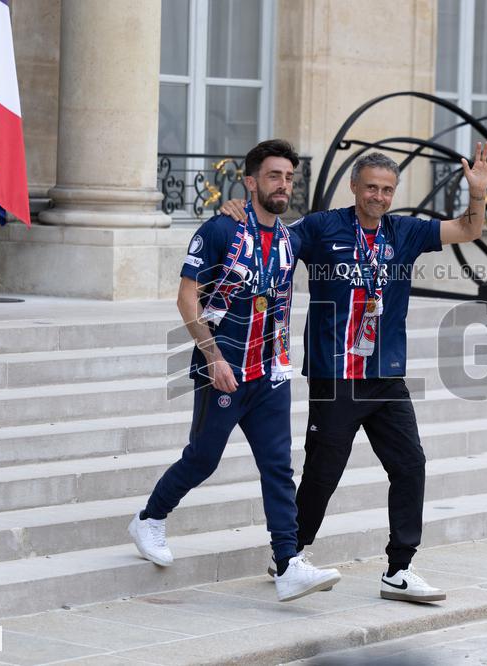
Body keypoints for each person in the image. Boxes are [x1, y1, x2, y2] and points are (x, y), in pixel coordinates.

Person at [221, 142, 487, 602]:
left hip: (387, 375)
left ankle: (399, 568)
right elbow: (270, 236)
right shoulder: (321, 227)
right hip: (335, 377)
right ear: (354, 187)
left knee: (410, 465)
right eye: (371, 187)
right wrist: (240, 209)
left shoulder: (406, 232)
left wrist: (478, 193)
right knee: (321, 474)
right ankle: (289, 555)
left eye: (387, 189)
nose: (379, 196)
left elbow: (469, 230)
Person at [128, 140, 341, 602]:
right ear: (250, 182)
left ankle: (287, 564)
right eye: (273, 176)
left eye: (288, 177)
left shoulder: (293, 237)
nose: (283, 184)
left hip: (271, 372)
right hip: (222, 367)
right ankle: (149, 519)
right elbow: (187, 298)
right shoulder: (221, 229)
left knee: (278, 468)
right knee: (203, 459)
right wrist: (213, 357)